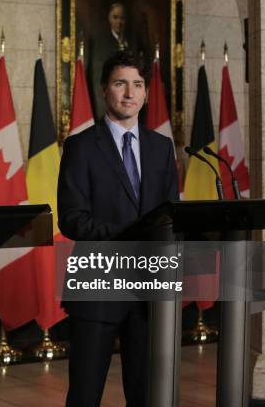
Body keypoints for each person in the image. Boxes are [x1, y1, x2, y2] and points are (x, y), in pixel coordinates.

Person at [58, 51, 178, 406]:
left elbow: (171, 215)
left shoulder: (161, 147)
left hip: (149, 287)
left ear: (146, 92)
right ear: (104, 90)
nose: (130, 93)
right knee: (84, 393)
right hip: (98, 284)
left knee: (146, 394)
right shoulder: (80, 146)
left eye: (138, 84)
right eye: (120, 83)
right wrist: (133, 234)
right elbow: (72, 219)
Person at [86, 2, 149, 121]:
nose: (119, 22)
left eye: (122, 18)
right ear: (109, 19)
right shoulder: (100, 42)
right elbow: (97, 80)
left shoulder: (134, 41)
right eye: (115, 17)